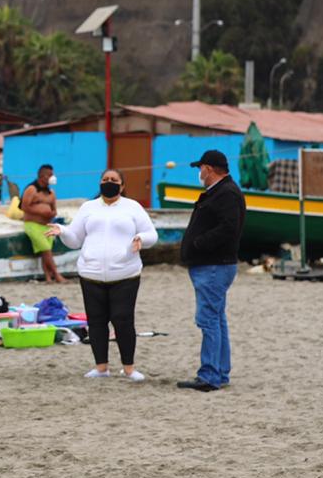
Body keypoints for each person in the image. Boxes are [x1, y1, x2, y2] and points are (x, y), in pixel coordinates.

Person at [46, 169, 159, 381]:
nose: (109, 183)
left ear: (122, 186)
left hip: (125, 274)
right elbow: (75, 239)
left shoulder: (132, 207)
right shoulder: (88, 207)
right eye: (105, 180)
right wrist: (62, 231)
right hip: (91, 274)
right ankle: (101, 367)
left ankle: (129, 368)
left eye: (114, 180)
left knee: (122, 319)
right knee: (96, 321)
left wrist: (140, 238)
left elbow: (152, 234)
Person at [177, 150, 246, 392]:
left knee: (208, 320)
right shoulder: (222, 192)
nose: (199, 173)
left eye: (201, 168)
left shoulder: (226, 193)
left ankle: (210, 375)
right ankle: (220, 371)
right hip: (214, 264)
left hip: (214, 265)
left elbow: (228, 228)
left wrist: (199, 243)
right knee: (217, 318)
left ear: (210, 168)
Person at [21, 164, 66, 283]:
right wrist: (41, 213)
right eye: (50, 175)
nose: (53, 177)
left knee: (45, 251)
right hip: (32, 225)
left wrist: (51, 214)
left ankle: (47, 277)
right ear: (42, 176)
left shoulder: (51, 192)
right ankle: (56, 275)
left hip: (46, 225)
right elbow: (24, 207)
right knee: (46, 249)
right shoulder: (31, 189)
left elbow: (54, 210)